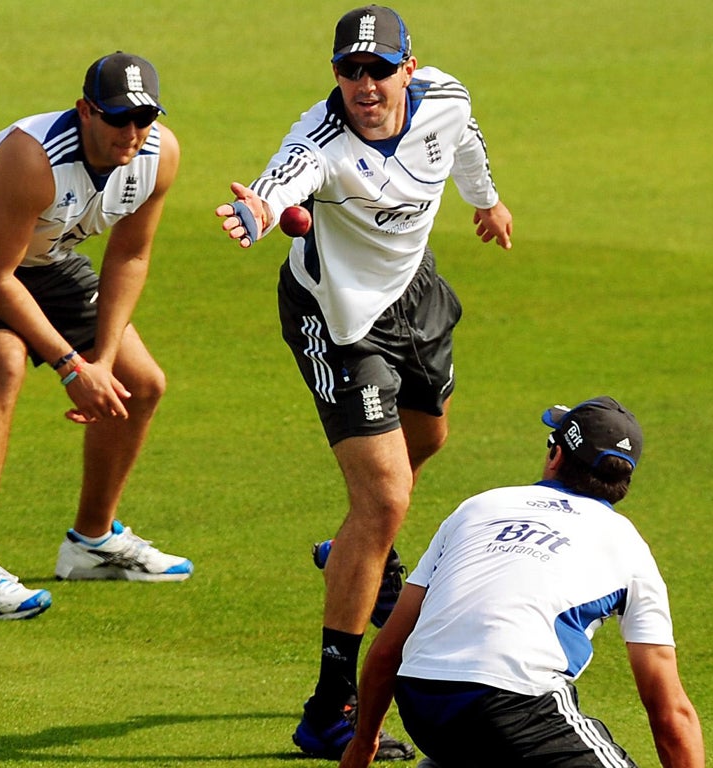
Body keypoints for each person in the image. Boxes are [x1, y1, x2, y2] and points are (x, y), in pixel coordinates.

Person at [214, 5, 513, 760]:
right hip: (338, 319)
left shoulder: (445, 98)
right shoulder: (319, 139)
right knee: (384, 500)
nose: (364, 84)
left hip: (416, 294)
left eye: (379, 70)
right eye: (350, 70)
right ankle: (329, 707)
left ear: (409, 70)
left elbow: (466, 143)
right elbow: (281, 183)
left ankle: (357, 551)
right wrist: (258, 212)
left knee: (429, 440)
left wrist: (486, 202)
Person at [0, 52, 193, 621]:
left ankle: (92, 541)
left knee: (141, 383)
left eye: (145, 117)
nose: (131, 132)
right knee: (4, 361)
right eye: (116, 118)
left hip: (43, 252)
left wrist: (102, 361)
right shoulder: (33, 159)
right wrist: (69, 366)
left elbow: (130, 254)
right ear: (86, 111)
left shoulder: (160, 155)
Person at [339, 397, 706, 768]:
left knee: (484, 744)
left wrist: (363, 742)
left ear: (556, 456)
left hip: (422, 702)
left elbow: (388, 650)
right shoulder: (627, 545)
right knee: (509, 735)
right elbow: (669, 713)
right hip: (514, 704)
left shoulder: (480, 508)